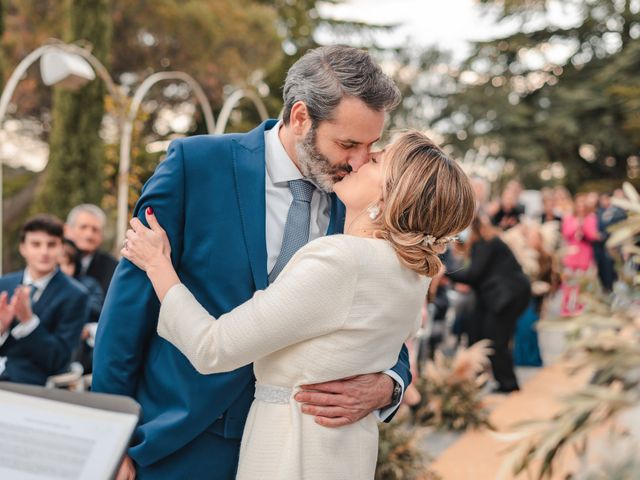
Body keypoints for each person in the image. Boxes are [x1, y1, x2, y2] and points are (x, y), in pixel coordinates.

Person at [93, 45, 414, 479]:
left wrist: (388, 385)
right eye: (348, 144)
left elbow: (384, 315)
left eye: (370, 146)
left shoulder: (362, 202)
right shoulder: (195, 165)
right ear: (301, 117)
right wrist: (108, 436)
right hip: (180, 440)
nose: (358, 160)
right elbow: (128, 309)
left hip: (296, 448)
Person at [121, 131, 476, 479]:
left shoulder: (341, 260)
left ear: (387, 197)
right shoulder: (415, 274)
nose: (361, 158)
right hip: (347, 452)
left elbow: (213, 347)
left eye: (377, 159)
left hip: (290, 452)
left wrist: (158, 266)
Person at [0, 215, 89, 385]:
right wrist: (1, 329)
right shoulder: (3, 284)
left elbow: (59, 360)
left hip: (28, 385)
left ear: (62, 248)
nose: (44, 252)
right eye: (36, 244)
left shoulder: (76, 295)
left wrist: (28, 322)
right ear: (22, 248)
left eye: (51, 244)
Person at [447, 214, 531, 393]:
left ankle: (508, 384)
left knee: (496, 339)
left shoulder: (485, 243)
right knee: (488, 335)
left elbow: (473, 274)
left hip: (506, 297)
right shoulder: (487, 241)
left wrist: (445, 272)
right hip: (503, 296)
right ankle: (498, 380)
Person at [59, 238, 105, 373]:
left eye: (68, 264)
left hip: (82, 344)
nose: (63, 270)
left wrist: (74, 296)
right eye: (58, 265)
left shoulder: (88, 284)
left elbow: (98, 309)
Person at [65, 204, 118, 295]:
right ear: (68, 230)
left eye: (95, 230)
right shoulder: (52, 260)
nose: (89, 235)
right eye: (83, 227)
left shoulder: (113, 268)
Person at [560, 194, 599, 315]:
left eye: (583, 205)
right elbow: (566, 233)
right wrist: (576, 224)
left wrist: (584, 226)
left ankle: (579, 306)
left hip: (585, 254)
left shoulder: (591, 218)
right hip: (571, 254)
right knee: (568, 283)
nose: (581, 208)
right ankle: (565, 307)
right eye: (579, 205)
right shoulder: (569, 218)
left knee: (581, 283)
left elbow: (593, 235)